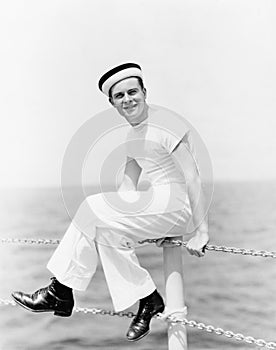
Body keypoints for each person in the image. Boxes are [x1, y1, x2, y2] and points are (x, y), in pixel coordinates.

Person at [11, 62, 209, 342]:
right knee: (105, 232)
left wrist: (201, 232)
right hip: (156, 208)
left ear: (144, 92)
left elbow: (193, 176)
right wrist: (109, 216)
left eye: (133, 92)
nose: (128, 99)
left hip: (176, 205)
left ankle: (61, 291)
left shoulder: (167, 124)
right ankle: (147, 298)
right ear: (113, 103)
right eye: (120, 96)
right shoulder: (132, 136)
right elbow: (128, 188)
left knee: (93, 207)